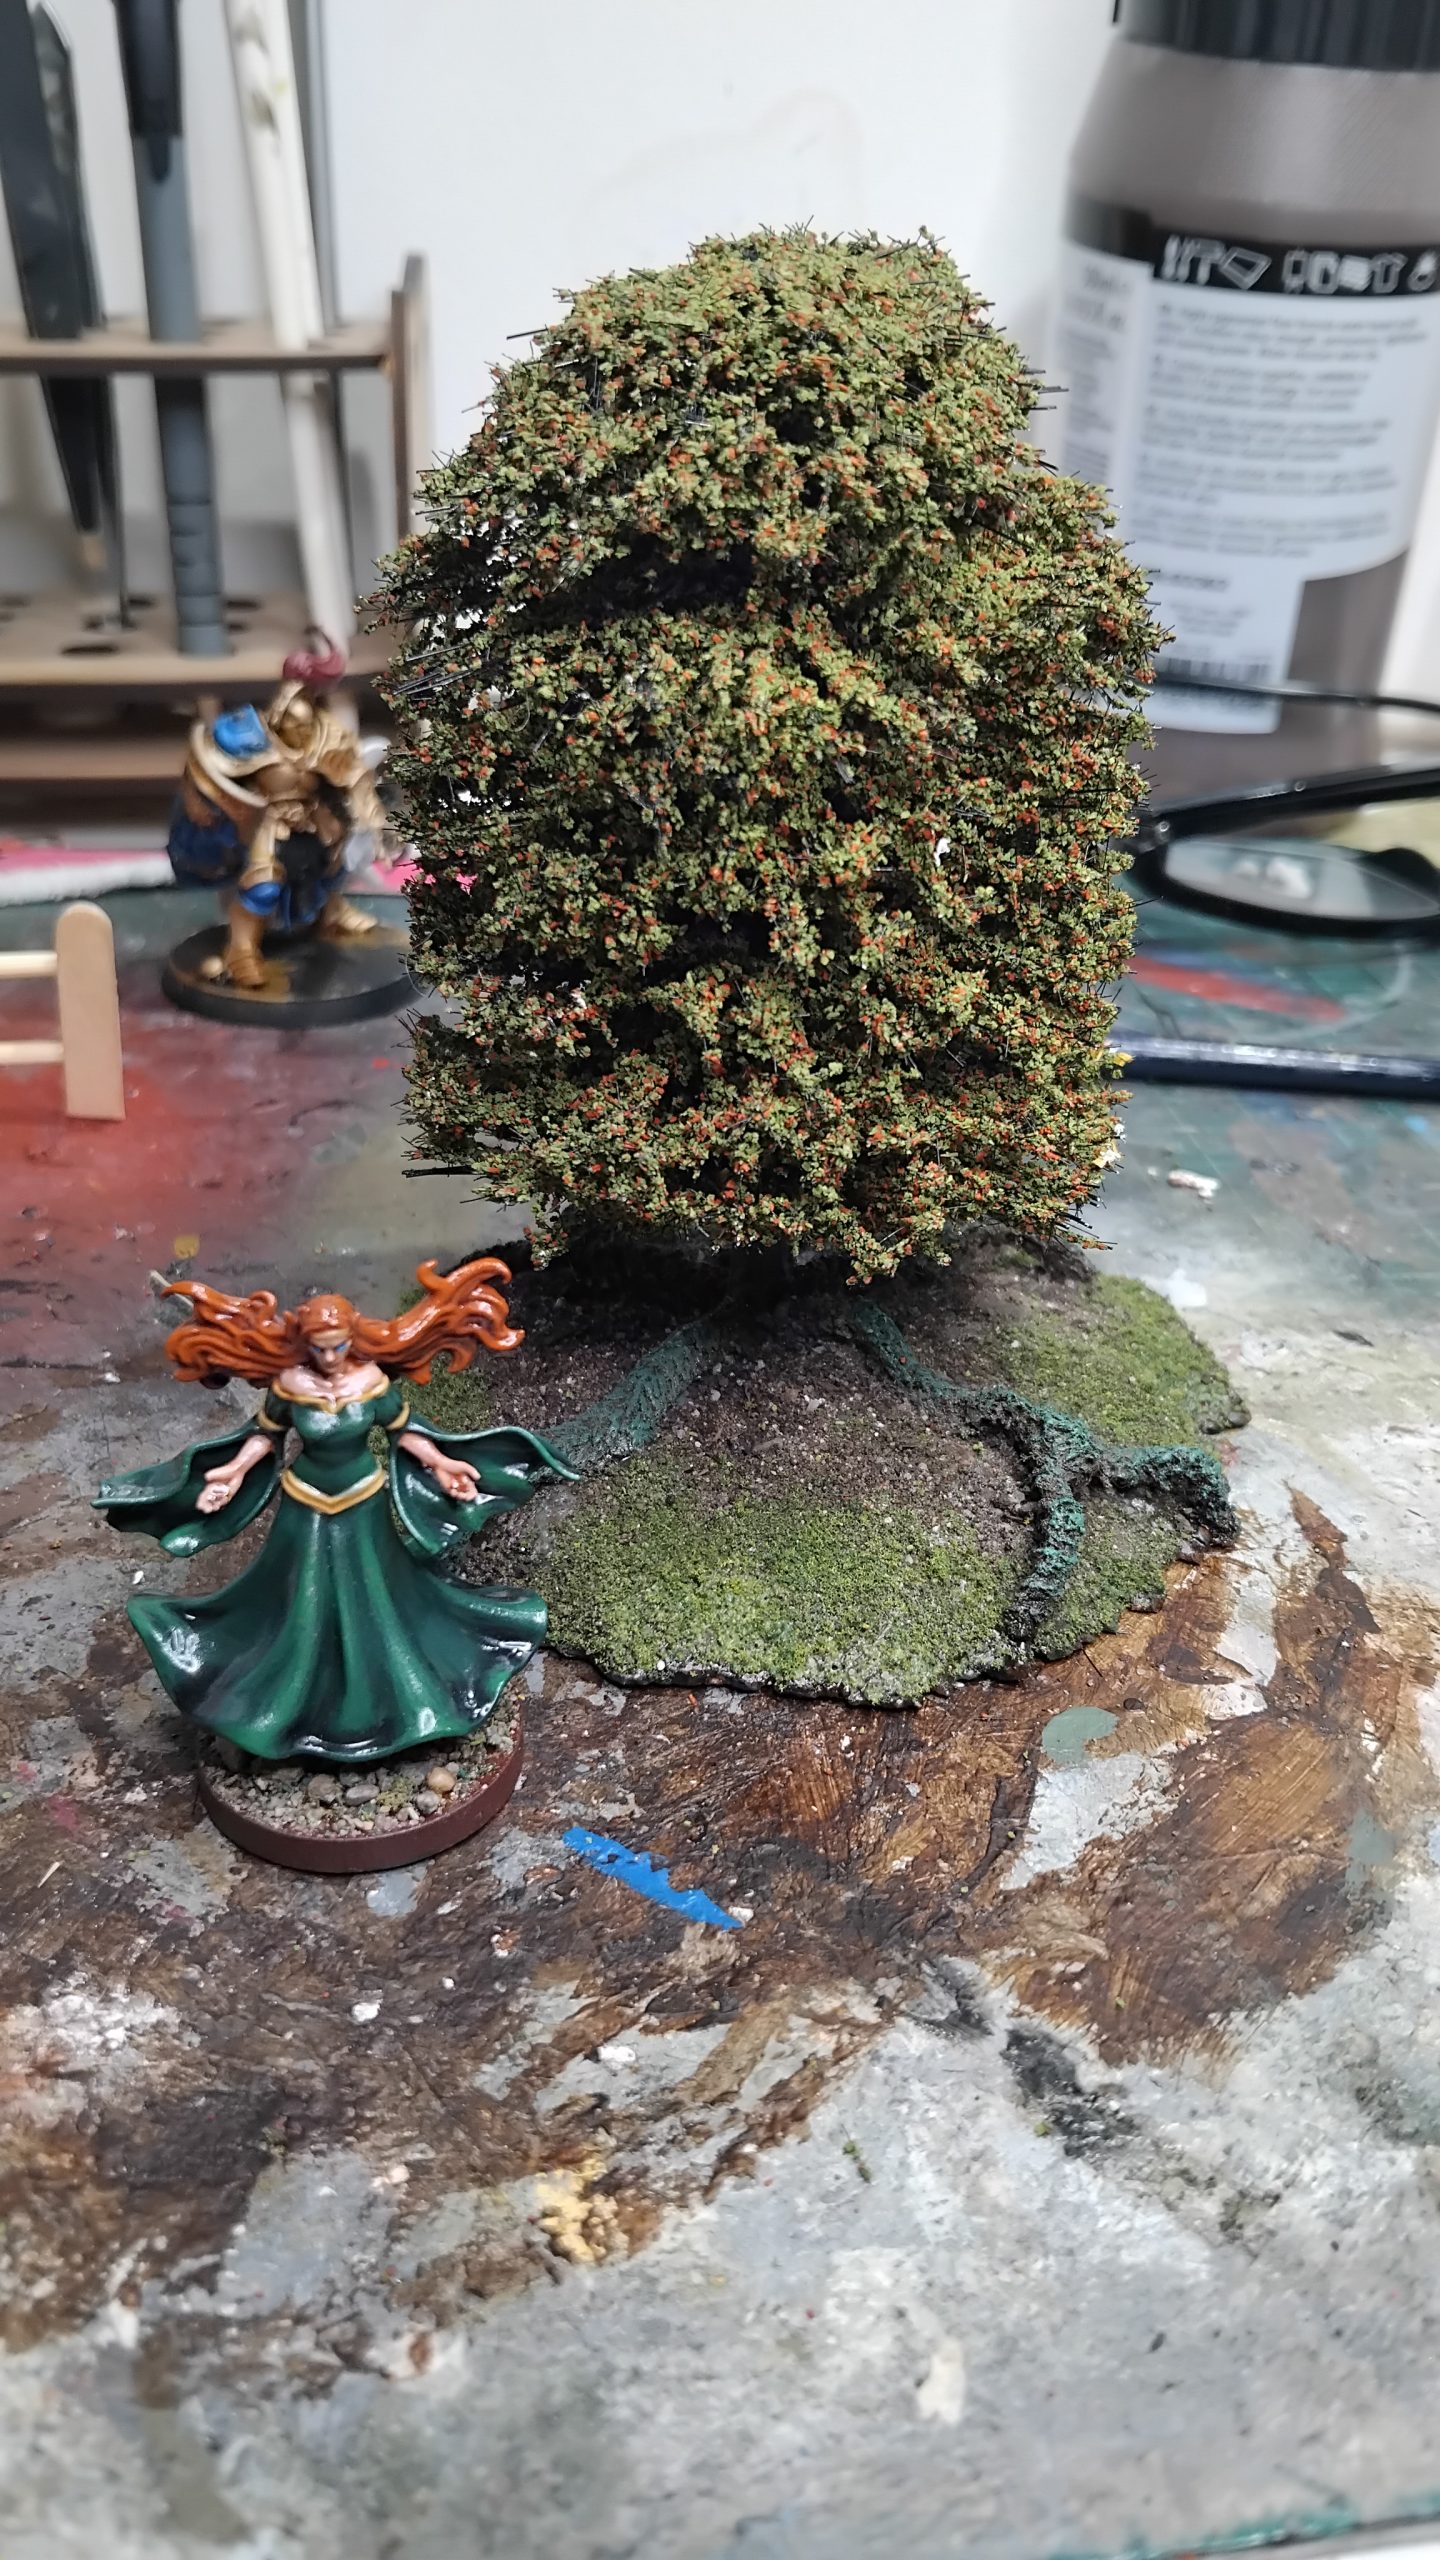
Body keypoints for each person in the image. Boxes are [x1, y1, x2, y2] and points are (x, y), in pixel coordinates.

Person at [96, 1258, 575, 1764]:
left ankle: (392, 1694)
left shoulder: (370, 1383)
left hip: (362, 1502)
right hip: (305, 1504)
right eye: (319, 1348)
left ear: (353, 1338)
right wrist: (232, 1473)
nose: (329, 1357)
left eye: (338, 1346)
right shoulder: (291, 1385)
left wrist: (442, 1464)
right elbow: (265, 1436)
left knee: (376, 1596)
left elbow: (404, 1432)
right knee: (298, 1597)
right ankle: (289, 1695)